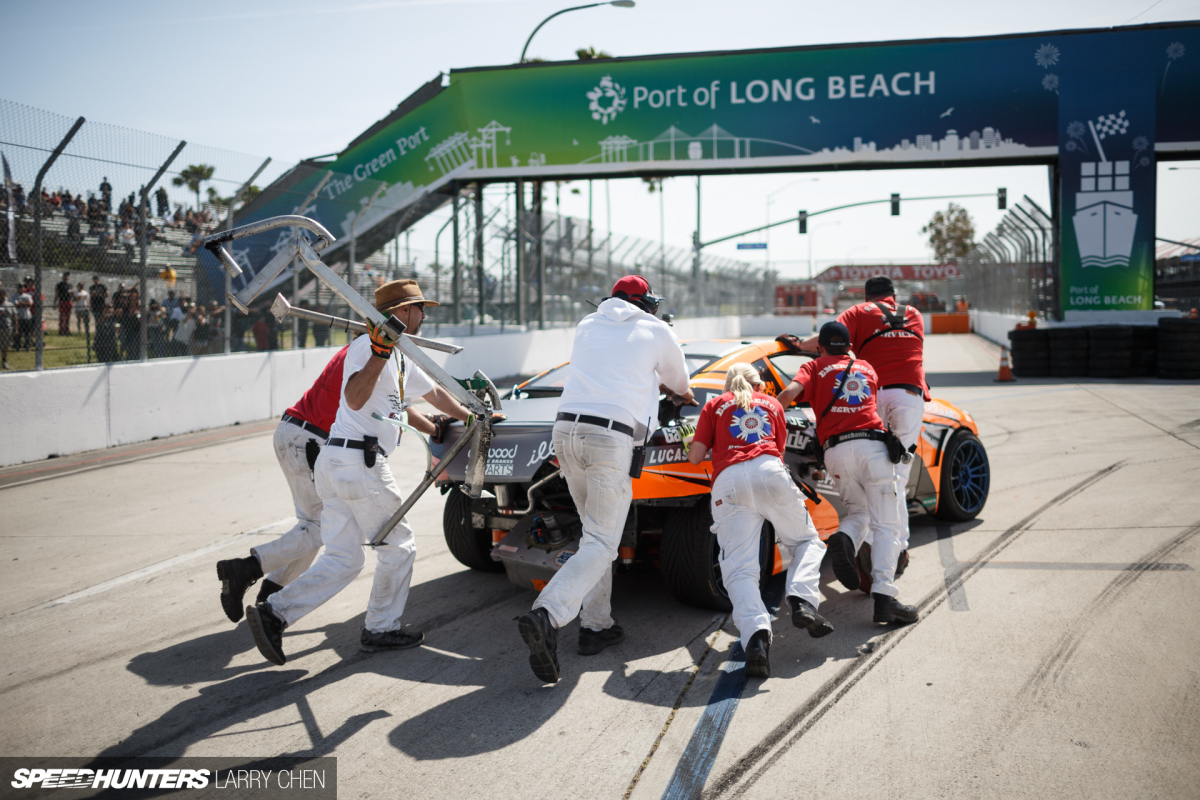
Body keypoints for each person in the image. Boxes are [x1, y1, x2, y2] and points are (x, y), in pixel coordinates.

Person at [245, 279, 473, 665]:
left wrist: (474, 416)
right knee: (399, 548)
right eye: (420, 308)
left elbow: (434, 394)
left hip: (339, 463)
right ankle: (381, 628)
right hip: (358, 463)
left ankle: (274, 612)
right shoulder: (370, 347)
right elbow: (352, 396)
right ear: (402, 312)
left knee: (344, 559)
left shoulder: (399, 354)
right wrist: (380, 352)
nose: (424, 315)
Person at [517, 275, 695, 685]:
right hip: (608, 437)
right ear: (647, 304)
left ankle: (596, 624)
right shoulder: (657, 328)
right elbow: (680, 383)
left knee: (594, 536)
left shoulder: (587, 324)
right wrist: (672, 393)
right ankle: (548, 614)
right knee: (601, 541)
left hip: (565, 433)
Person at [685, 363, 832, 679]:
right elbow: (778, 450)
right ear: (759, 385)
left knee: (739, 567)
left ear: (727, 386)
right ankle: (802, 600)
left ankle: (756, 640)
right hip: (769, 473)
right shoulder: (772, 403)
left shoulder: (713, 405)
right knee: (806, 540)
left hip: (728, 484)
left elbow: (696, 457)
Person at [778, 322, 918, 626]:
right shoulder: (866, 367)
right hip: (872, 448)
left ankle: (844, 537)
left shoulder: (813, 365)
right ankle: (884, 597)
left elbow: (790, 394)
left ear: (821, 347)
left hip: (836, 452)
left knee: (858, 512)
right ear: (848, 346)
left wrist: (766, 415)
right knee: (886, 525)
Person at [799, 276, 927, 574]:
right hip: (910, 394)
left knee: (879, 476)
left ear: (869, 296)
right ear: (894, 295)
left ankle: (864, 542)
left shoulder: (860, 312)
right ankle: (895, 550)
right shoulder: (915, 314)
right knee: (895, 477)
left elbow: (825, 340)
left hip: (872, 394)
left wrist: (793, 343)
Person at [216, 343, 351, 623]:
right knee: (320, 527)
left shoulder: (357, 347)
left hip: (296, 433)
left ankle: (268, 595)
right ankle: (247, 568)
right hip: (308, 440)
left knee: (310, 528)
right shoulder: (375, 354)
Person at [14, 281, 34, 351]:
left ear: (24, 289)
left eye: (22, 287)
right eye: (19, 287)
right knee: (18, 333)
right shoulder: (14, 296)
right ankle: (17, 346)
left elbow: (30, 304)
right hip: (18, 317)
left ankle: (27, 346)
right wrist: (25, 304)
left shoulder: (28, 296)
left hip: (27, 316)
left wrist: (21, 303)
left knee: (27, 332)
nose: (21, 289)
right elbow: (15, 305)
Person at [0, 288, 13, 369]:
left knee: (5, 346)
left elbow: (14, 316)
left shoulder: (9, 304)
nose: (1, 296)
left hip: (7, 327)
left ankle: (4, 361)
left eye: (2, 295)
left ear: (5, 295)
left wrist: (15, 328)